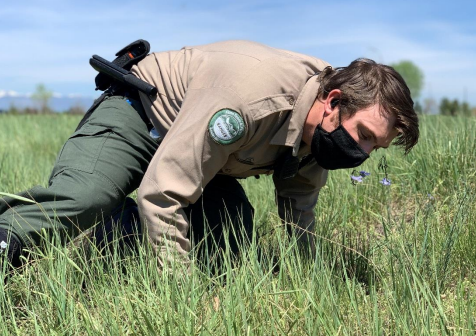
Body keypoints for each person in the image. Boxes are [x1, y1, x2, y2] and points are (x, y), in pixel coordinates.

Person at [0, 40, 419, 272]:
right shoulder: (251, 102)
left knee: (231, 237)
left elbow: (299, 210)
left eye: (372, 148)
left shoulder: (320, 131)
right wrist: (179, 297)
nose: (359, 153)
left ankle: (112, 230)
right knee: (86, 197)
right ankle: (10, 236)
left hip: (200, 146)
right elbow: (164, 192)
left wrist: (310, 276)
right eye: (363, 135)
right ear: (332, 100)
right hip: (142, 116)